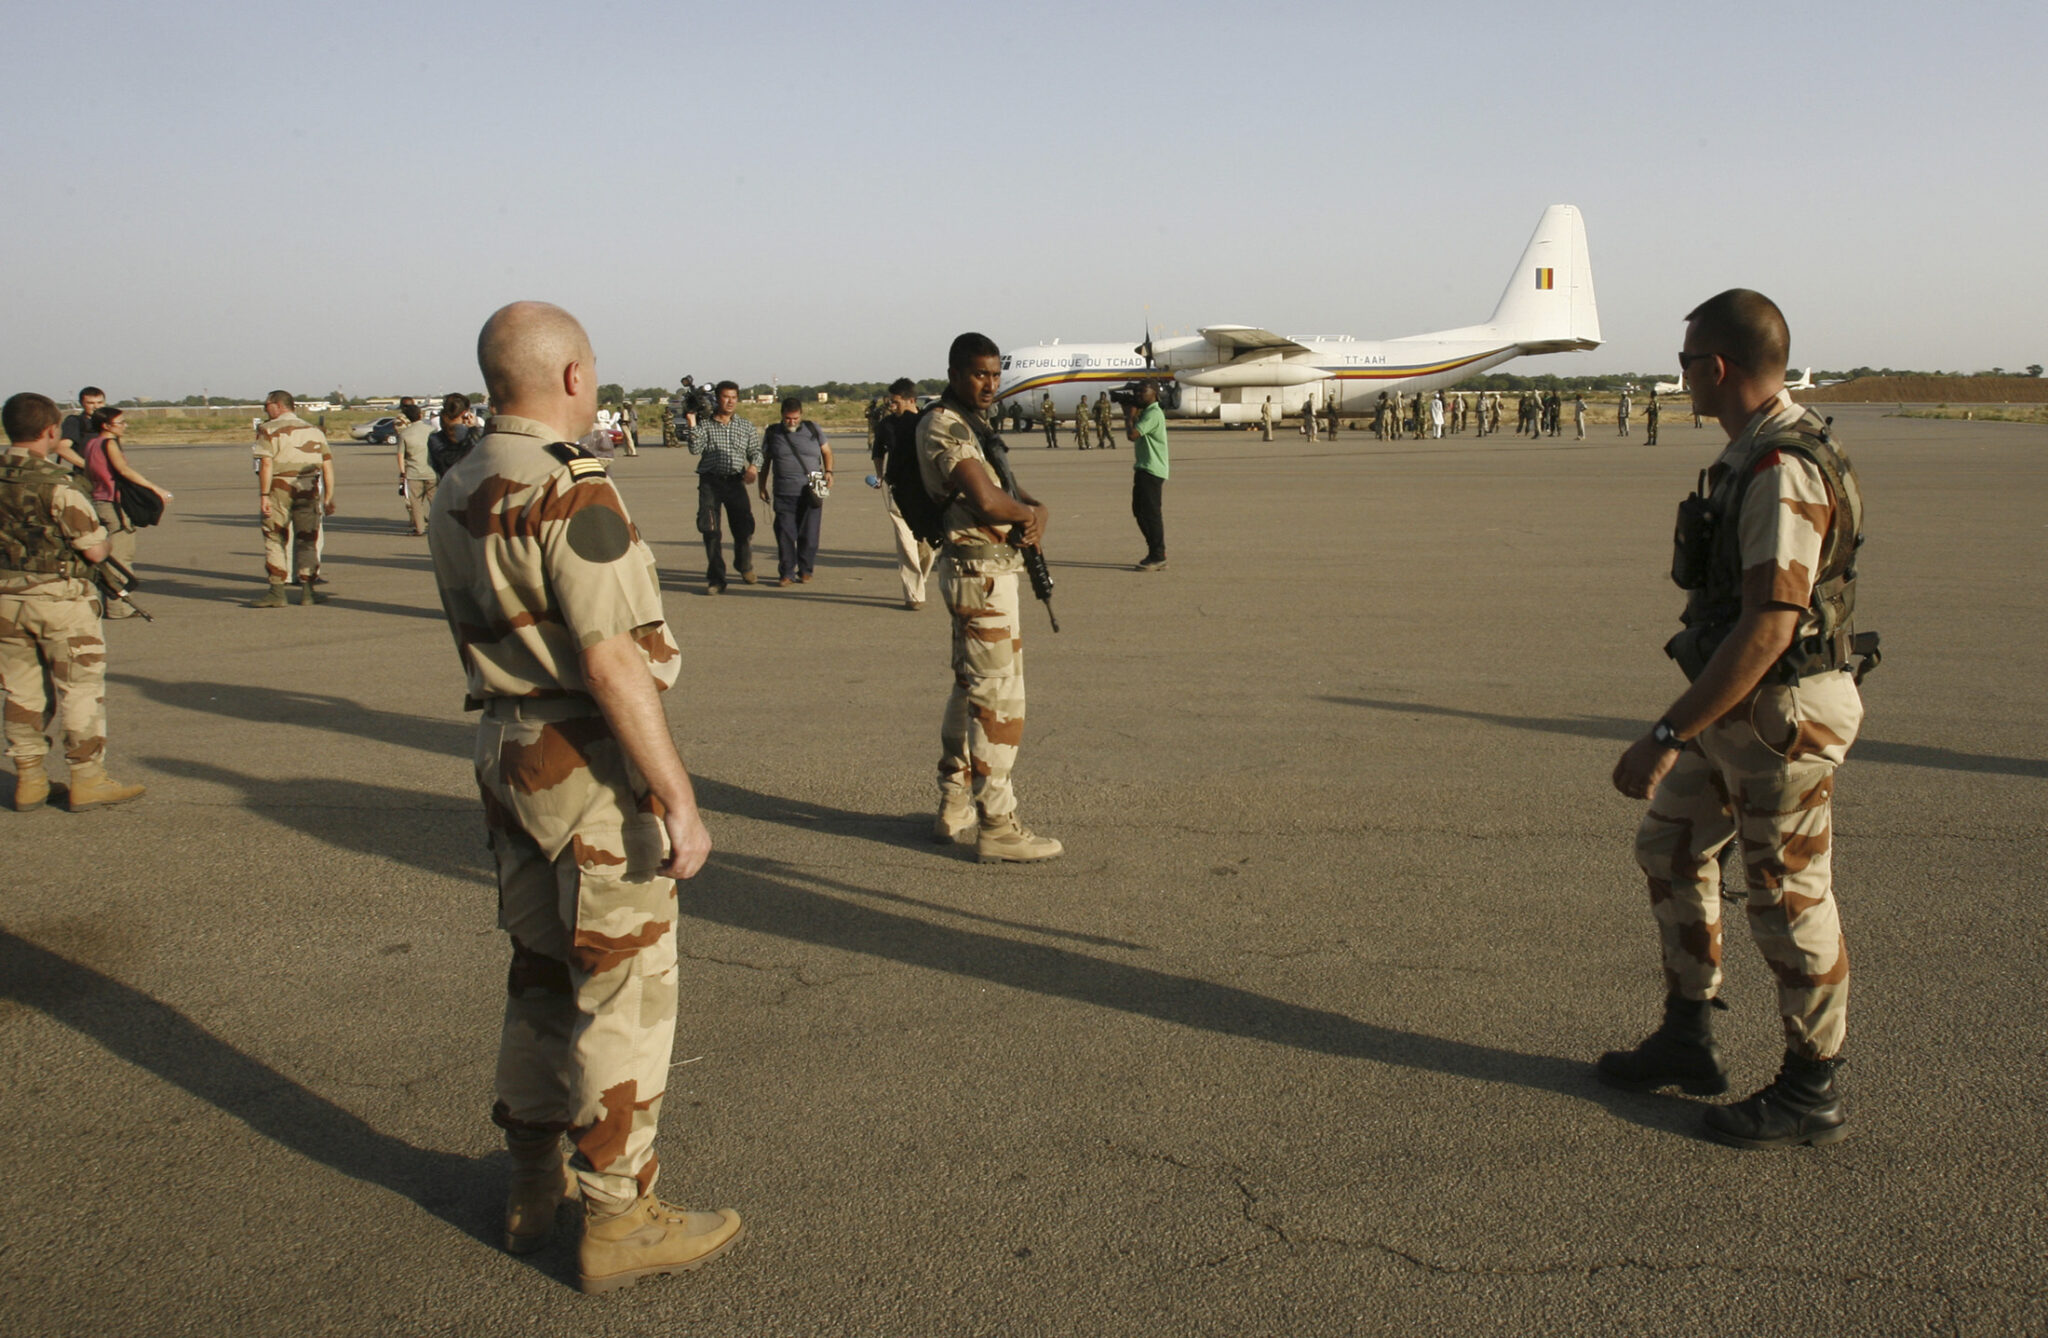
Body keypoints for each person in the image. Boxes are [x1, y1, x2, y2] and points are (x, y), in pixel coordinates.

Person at [427, 301, 740, 1292]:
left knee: (539, 972)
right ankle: (618, 1214)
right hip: (586, 762)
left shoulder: (461, 478)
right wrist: (675, 796)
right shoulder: (570, 488)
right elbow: (612, 659)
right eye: (593, 368)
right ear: (568, 376)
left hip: (506, 750)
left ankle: (531, 1183)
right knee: (625, 989)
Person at [1602, 288, 1873, 1151]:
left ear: (1714, 368)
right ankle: (1690, 1035)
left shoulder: (1780, 467)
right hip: (1741, 712)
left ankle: (1812, 1085)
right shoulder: (1751, 455)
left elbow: (1770, 623)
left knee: (1788, 899)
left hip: (1778, 718)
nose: (1681, 380)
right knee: (1669, 846)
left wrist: (1665, 733)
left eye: (1685, 364)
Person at [917, 332, 1062, 864]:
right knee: (999, 701)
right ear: (955, 373)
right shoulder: (944, 424)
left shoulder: (973, 425)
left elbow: (1006, 488)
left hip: (987, 572)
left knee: (969, 689)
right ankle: (998, 824)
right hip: (979, 575)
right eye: (980, 374)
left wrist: (1035, 508)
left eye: (996, 375)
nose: (991, 384)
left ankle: (954, 799)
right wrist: (1026, 516)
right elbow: (983, 496)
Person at [0, 392, 147, 811]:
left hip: (6, 600)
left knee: (21, 692)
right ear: (50, 431)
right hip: (59, 600)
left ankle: (29, 779)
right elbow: (96, 550)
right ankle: (87, 777)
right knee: (79, 690)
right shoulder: (56, 485)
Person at [78, 407, 172, 616]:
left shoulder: (90, 443)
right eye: (120, 422)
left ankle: (109, 601)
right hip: (114, 504)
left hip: (98, 500)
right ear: (106, 425)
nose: (124, 426)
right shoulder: (108, 443)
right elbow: (123, 470)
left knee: (108, 554)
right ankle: (117, 607)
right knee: (121, 555)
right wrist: (155, 488)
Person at [249, 391, 336, 607]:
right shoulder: (314, 431)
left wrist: (263, 496)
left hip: (280, 487)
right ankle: (308, 590)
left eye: (266, 404)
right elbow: (327, 467)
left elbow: (266, 464)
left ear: (278, 405)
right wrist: (328, 497)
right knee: (307, 539)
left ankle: (277, 591)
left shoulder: (268, 430)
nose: (265, 409)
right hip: (309, 488)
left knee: (275, 537)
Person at [684, 380, 761, 593]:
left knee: (744, 529)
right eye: (726, 397)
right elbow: (695, 448)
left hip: (736, 482)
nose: (730, 401)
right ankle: (717, 579)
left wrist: (753, 468)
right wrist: (692, 423)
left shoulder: (744, 426)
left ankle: (744, 565)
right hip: (711, 482)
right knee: (710, 530)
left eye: (734, 397)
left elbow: (756, 451)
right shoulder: (706, 425)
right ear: (717, 399)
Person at [871, 378, 937, 610]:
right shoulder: (886, 424)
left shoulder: (925, 422)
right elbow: (878, 452)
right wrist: (880, 476)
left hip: (924, 490)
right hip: (897, 489)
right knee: (905, 542)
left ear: (911, 400)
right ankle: (913, 594)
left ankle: (920, 580)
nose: (892, 406)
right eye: (890, 401)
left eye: (896, 402)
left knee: (927, 545)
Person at [759, 397, 832, 585]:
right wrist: (762, 486)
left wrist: (829, 472)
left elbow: (827, 452)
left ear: (801, 415)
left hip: (813, 489)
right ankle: (786, 573)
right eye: (788, 418)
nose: (791, 422)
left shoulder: (813, 429)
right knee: (785, 534)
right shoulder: (773, 433)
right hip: (784, 491)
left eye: (795, 418)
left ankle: (806, 570)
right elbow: (765, 461)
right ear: (781, 416)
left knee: (810, 535)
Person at [1125, 380, 1169, 572]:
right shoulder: (1147, 412)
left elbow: (1133, 434)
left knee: (1151, 514)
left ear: (1155, 393)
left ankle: (1158, 555)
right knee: (1140, 511)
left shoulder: (1153, 413)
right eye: (1136, 391)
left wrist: (1128, 415)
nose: (1138, 394)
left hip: (1151, 469)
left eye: (1143, 391)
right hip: (1145, 468)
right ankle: (1155, 551)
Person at [394, 400, 435, 535]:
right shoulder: (431, 431)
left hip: (413, 472)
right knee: (435, 501)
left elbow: (400, 455)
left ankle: (420, 528)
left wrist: (402, 473)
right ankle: (439, 527)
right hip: (432, 471)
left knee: (416, 503)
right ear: (420, 415)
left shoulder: (405, 434)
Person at [428, 392, 482, 477]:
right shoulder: (475, 435)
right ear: (465, 413)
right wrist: (475, 427)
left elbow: (434, 466)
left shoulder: (434, 438)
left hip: (446, 485)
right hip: (472, 485)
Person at [55, 385, 102, 472]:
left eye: (100, 403)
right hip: (88, 478)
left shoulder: (106, 423)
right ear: (81, 403)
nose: (96, 407)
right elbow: (61, 448)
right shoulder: (75, 422)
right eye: (90, 403)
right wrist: (89, 467)